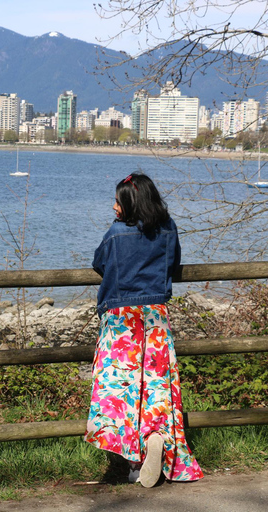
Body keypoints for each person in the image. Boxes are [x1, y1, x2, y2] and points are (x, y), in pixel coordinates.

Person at [84, 172, 203, 487]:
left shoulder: (114, 234)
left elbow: (100, 264)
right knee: (155, 388)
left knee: (120, 391)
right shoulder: (168, 229)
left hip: (120, 320)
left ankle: (135, 462)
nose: (113, 207)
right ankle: (156, 438)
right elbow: (174, 264)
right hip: (154, 317)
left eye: (118, 201)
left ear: (131, 205)